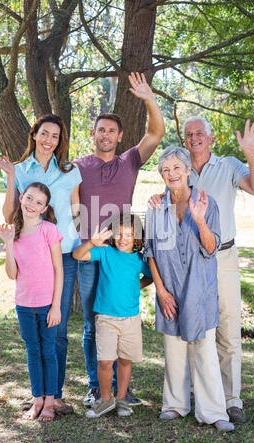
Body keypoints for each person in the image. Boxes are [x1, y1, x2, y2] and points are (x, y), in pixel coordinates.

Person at [149, 117, 254, 424]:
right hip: (180, 266)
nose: (194, 137)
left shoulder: (227, 166)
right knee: (181, 329)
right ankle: (182, 399)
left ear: (211, 138)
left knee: (224, 329)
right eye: (189, 134)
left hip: (219, 255)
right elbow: (157, 232)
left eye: (200, 132)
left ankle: (230, 400)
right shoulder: (171, 181)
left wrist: (250, 152)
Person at [73, 72, 165, 407]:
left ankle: (120, 391)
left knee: (123, 320)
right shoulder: (78, 166)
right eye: (101, 130)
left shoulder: (130, 162)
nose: (106, 135)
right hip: (91, 254)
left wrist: (148, 98)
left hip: (123, 254)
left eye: (112, 130)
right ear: (93, 134)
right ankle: (97, 388)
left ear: (120, 136)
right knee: (92, 323)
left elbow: (156, 132)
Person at [0, 114, 82, 414]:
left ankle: (53, 397)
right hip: (31, 259)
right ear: (34, 135)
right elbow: (9, 213)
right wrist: (9, 178)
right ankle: (39, 396)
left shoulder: (70, 172)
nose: (49, 140)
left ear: (60, 141)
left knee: (57, 329)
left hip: (62, 254)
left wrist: (76, 237)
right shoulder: (19, 170)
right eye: (44, 134)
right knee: (36, 339)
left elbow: (77, 209)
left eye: (55, 136)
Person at [145, 146, 234, 431]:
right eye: (165, 170)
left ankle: (214, 412)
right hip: (168, 289)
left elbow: (211, 248)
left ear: (187, 171)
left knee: (205, 350)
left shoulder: (207, 203)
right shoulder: (156, 206)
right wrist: (160, 290)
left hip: (199, 289)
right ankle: (174, 405)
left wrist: (199, 221)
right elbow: (150, 252)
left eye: (176, 168)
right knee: (173, 350)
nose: (171, 174)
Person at [73, 213, 153, 418]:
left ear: (137, 237)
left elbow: (151, 276)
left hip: (130, 319)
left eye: (128, 234)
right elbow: (78, 255)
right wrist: (92, 242)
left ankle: (121, 399)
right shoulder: (106, 252)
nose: (122, 238)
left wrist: (136, 287)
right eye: (118, 233)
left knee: (125, 360)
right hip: (106, 318)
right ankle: (106, 399)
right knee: (105, 361)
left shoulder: (138, 260)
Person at [0, 182, 63, 422]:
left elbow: (59, 269)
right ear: (21, 198)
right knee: (33, 352)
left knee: (49, 352)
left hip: (47, 305)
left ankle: (50, 402)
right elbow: (12, 274)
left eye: (39, 202)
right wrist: (7, 243)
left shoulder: (49, 230)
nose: (32, 205)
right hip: (24, 304)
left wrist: (56, 306)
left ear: (44, 208)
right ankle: (37, 400)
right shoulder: (13, 232)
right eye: (30, 198)